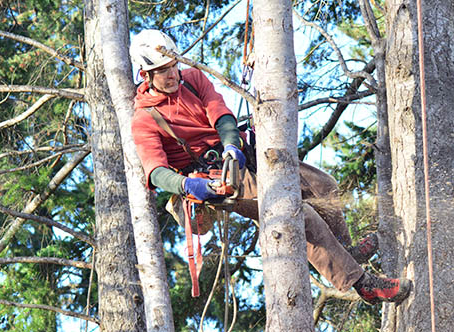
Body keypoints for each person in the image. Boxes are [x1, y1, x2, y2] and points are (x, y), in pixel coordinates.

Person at [129, 29, 412, 305]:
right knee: (300, 214)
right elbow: (155, 171)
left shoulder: (192, 79)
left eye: (173, 65)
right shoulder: (144, 119)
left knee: (323, 185)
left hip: (237, 154)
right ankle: (362, 284)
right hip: (213, 178)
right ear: (145, 75)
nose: (172, 74)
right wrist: (187, 185)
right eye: (163, 71)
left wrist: (230, 145)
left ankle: (346, 250)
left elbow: (221, 114)